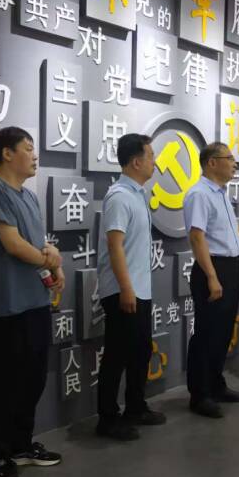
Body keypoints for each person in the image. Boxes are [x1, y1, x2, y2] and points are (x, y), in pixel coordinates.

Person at [0, 126, 64, 477]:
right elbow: (13, 244)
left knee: (33, 376)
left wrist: (54, 266)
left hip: (35, 299)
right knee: (6, 382)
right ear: (7, 154)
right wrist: (49, 259)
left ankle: (20, 445)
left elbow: (38, 244)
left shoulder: (28, 196)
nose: (35, 154)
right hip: (8, 304)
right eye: (28, 148)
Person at [96, 134, 166, 441]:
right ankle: (107, 419)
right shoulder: (119, 197)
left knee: (140, 352)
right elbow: (115, 246)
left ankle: (135, 407)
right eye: (151, 156)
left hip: (139, 290)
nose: (155, 162)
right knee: (117, 356)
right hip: (123, 291)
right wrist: (126, 289)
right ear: (136, 162)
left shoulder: (137, 194)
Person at [183, 142, 239, 419]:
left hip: (229, 268)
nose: (235, 164)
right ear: (212, 162)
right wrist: (212, 276)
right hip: (212, 268)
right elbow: (197, 238)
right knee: (207, 333)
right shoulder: (199, 194)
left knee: (222, 332)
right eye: (229, 158)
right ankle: (200, 395)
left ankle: (216, 384)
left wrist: (237, 272)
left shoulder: (221, 194)